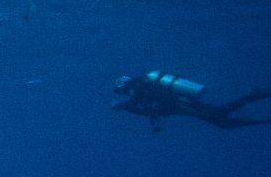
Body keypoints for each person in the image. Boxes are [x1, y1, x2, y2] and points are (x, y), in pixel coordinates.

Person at [113, 71, 271, 130]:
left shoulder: (137, 87)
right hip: (180, 106)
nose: (124, 94)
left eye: (122, 91)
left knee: (220, 115)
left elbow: (133, 103)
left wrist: (120, 106)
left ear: (124, 86)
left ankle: (252, 97)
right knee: (223, 121)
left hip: (181, 103)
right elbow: (148, 110)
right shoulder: (141, 89)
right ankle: (261, 113)